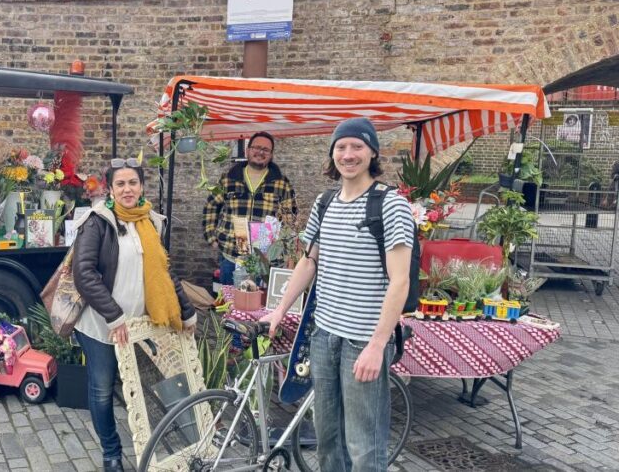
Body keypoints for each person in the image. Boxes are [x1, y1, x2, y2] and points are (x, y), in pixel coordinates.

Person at [260, 117, 413, 471]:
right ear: (332, 154)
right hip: (324, 335)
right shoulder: (324, 202)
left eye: (357, 146)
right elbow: (308, 262)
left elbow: (400, 281)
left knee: (363, 445)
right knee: (327, 438)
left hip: (363, 339)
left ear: (372, 153)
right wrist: (280, 309)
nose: (348, 154)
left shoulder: (390, 204)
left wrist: (377, 345)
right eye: (341, 147)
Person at [72, 157, 198, 472]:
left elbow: (163, 272)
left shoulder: (151, 221)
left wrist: (186, 311)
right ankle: (111, 452)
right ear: (110, 189)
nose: (127, 189)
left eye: (132, 183)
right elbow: (84, 274)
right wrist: (114, 317)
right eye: (120, 184)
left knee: (145, 388)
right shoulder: (97, 222)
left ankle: (154, 448)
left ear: (141, 186)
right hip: (102, 325)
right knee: (102, 390)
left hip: (141, 326)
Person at [203, 131, 298, 285]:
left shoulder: (281, 183)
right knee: (229, 299)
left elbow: (290, 219)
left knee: (259, 299)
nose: (260, 152)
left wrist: (285, 252)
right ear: (247, 150)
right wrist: (211, 238)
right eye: (256, 147)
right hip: (231, 257)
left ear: (271, 155)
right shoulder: (229, 179)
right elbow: (211, 206)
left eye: (265, 150)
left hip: (264, 260)